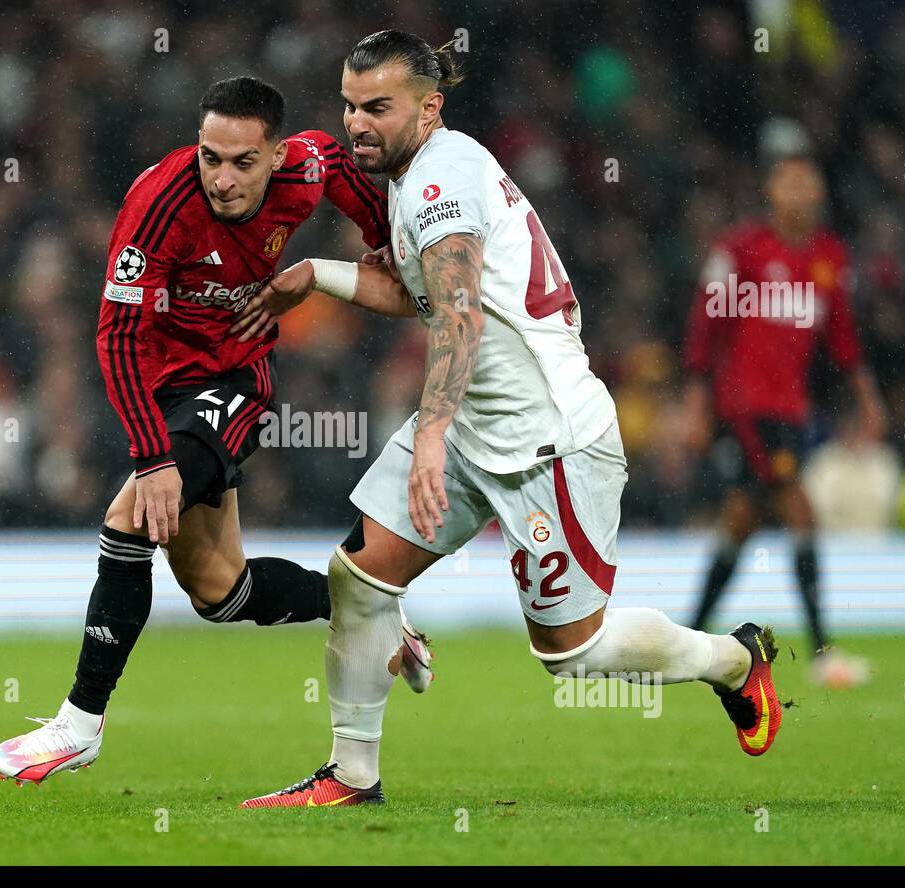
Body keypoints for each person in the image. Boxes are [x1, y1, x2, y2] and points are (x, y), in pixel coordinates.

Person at [233, 31, 781, 809]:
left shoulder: (438, 182)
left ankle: (732, 659)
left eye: (377, 108)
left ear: (429, 109)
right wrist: (316, 275)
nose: (356, 124)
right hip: (467, 426)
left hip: (546, 440)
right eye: (350, 106)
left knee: (573, 654)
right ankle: (351, 776)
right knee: (357, 579)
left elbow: (459, 315)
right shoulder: (410, 172)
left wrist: (426, 432)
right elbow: (419, 293)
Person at [0, 76, 391, 784]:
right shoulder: (159, 204)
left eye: (242, 162)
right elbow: (116, 338)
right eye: (211, 157)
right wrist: (152, 457)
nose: (223, 179)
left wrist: (386, 244)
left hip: (235, 380)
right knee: (218, 590)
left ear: (274, 157)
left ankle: (79, 726)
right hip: (164, 388)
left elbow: (351, 180)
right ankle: (368, 606)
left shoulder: (309, 164)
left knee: (128, 521)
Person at [682, 148, 887, 688]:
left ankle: (686, 643)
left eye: (807, 183)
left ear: (818, 192)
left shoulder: (828, 258)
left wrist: (866, 396)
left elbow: (842, 336)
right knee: (801, 511)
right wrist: (698, 401)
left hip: (792, 409)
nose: (798, 193)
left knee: (742, 521)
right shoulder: (740, 249)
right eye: (787, 183)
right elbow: (706, 325)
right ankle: (824, 654)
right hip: (747, 409)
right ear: (771, 191)